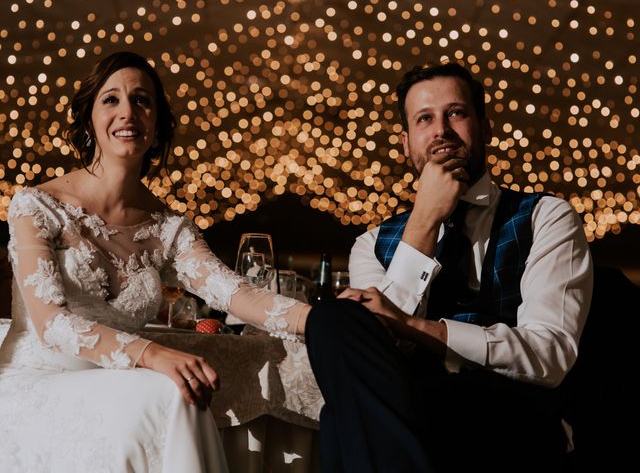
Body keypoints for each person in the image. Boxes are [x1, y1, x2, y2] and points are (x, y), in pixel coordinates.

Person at [0, 51, 311, 472]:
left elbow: (237, 294)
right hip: (34, 385)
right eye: (111, 99)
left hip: (115, 386)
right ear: (89, 118)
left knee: (178, 392)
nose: (127, 111)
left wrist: (325, 321)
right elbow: (50, 323)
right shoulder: (38, 205)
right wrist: (152, 354)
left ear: (157, 123)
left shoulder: (168, 229)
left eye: (142, 100)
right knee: (171, 389)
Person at [304, 62, 593, 473]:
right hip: (410, 412)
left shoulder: (546, 218)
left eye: (455, 113)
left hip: (510, 419)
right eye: (424, 118)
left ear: (485, 128)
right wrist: (424, 221)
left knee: (344, 425)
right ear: (406, 144)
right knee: (333, 320)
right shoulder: (370, 244)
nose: (440, 130)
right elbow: (378, 349)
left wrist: (417, 327)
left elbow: (550, 356)